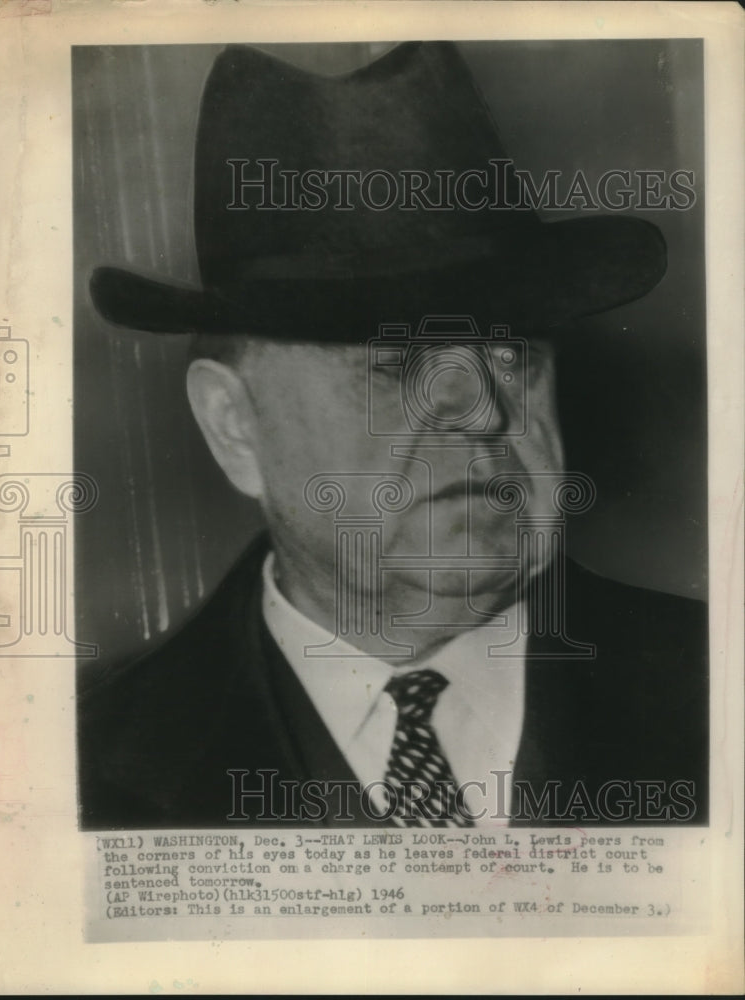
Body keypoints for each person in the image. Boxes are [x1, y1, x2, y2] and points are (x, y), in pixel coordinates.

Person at [77, 41, 707, 829]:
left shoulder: (715, 686)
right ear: (232, 425)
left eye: (507, 355)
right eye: (393, 366)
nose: (477, 412)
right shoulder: (82, 769)